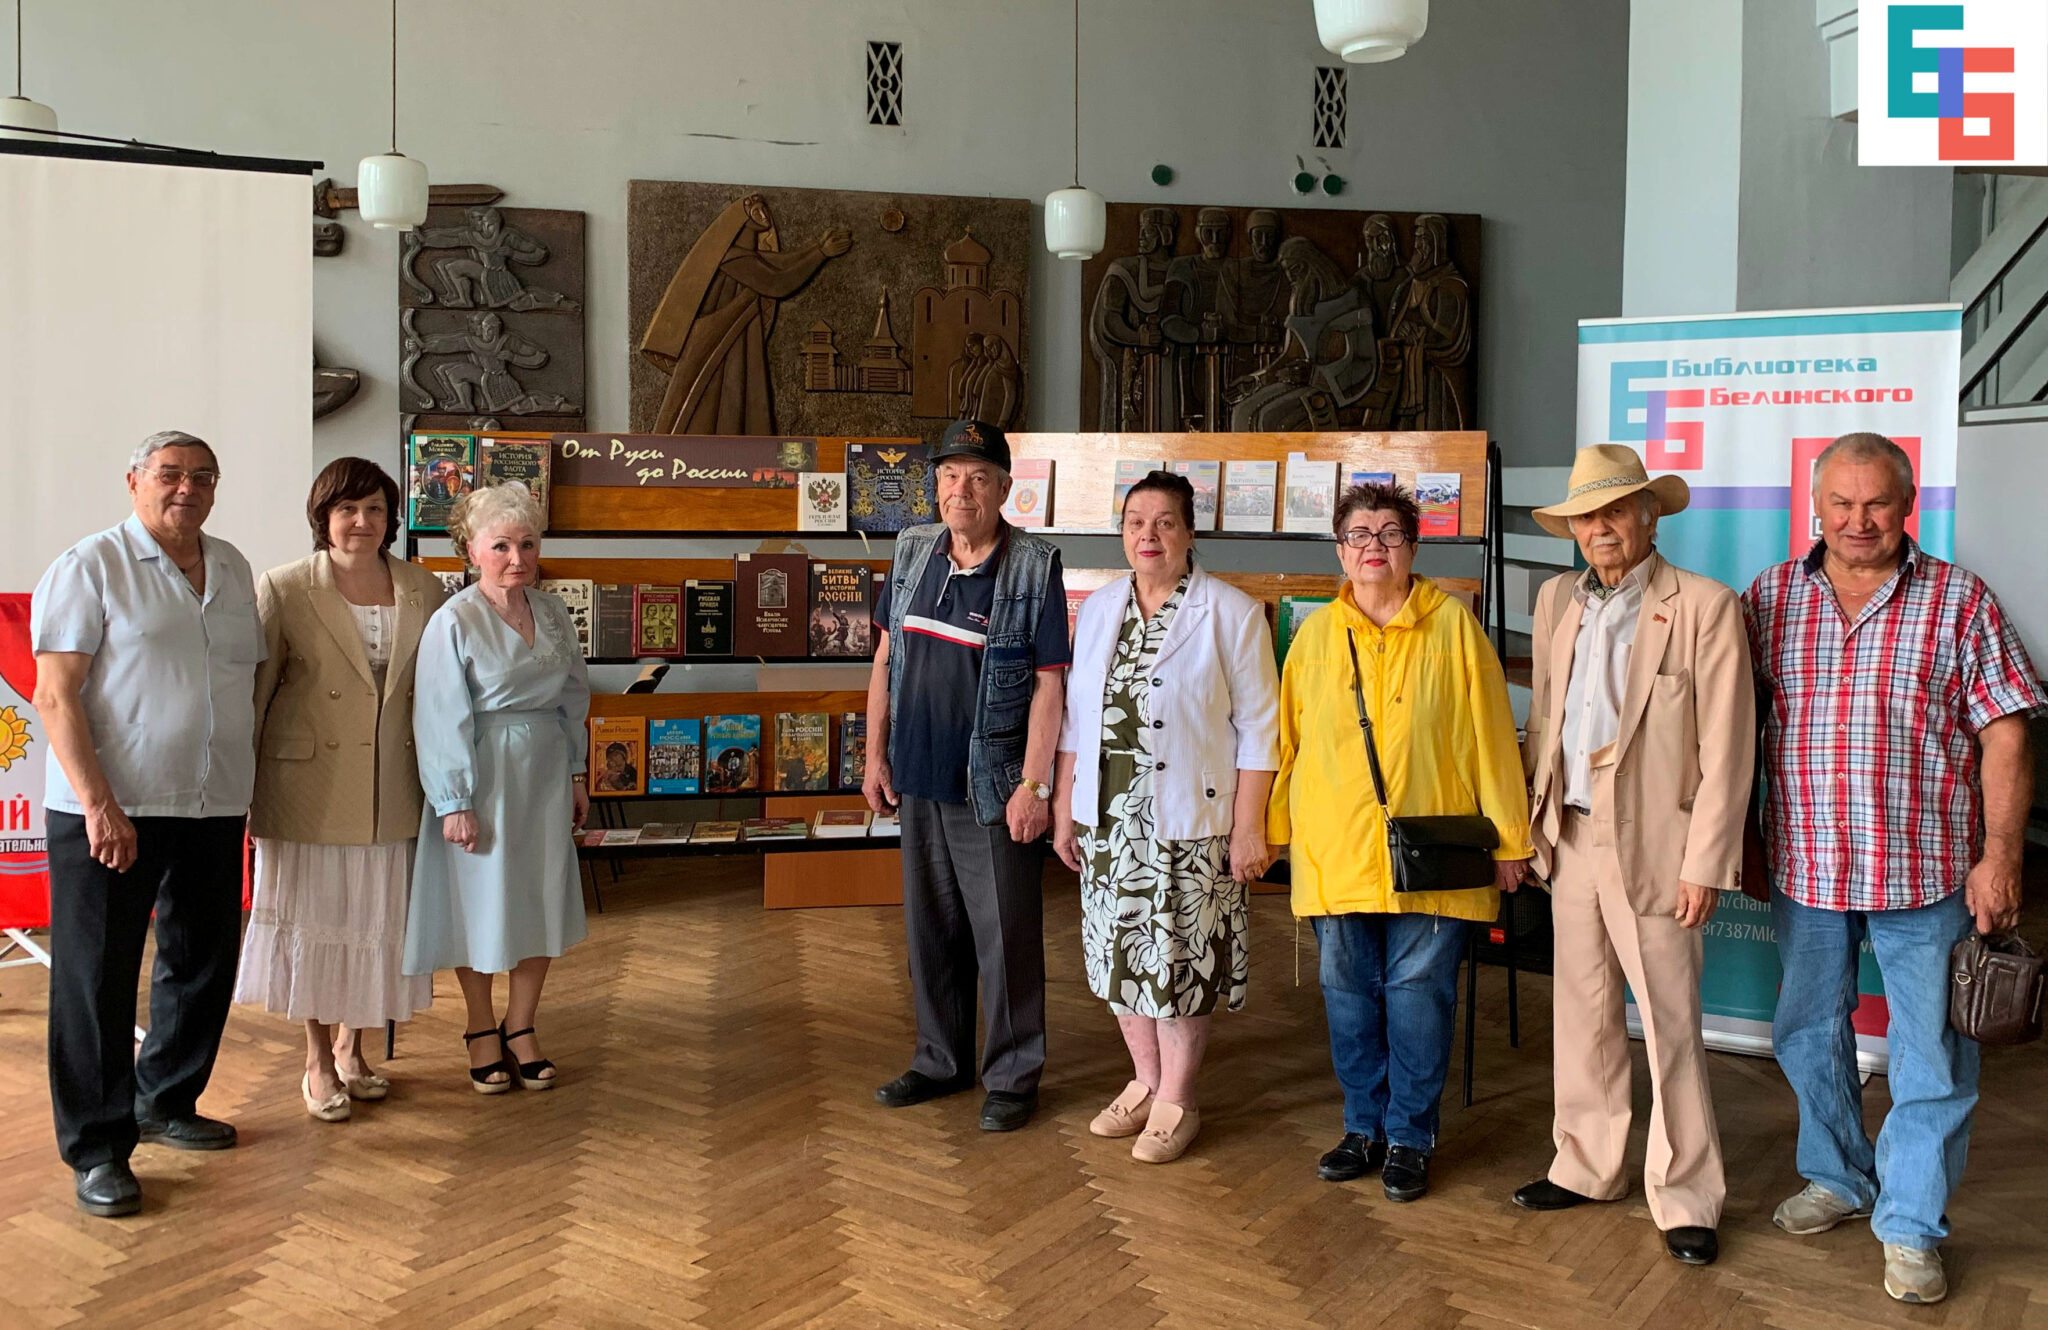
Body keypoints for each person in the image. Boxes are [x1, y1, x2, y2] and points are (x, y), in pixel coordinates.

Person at [1744, 432, 2043, 1305]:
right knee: (1806, 1032)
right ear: (1815, 505)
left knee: (1933, 1053)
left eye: (1876, 502)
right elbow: (1735, 727)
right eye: (1840, 502)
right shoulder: (1770, 597)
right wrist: (1744, 841)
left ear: (1908, 504)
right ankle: (1838, 1176)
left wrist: (2001, 857)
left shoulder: (1960, 600)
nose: (1858, 520)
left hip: (1927, 868)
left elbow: (2007, 735)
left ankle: (1910, 1224)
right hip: (1805, 861)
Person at [1511, 446, 1754, 1267]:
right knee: (1581, 1012)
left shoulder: (1704, 606)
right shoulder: (1556, 600)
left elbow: (1728, 746)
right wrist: (1534, 823)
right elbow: (1545, 719)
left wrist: (1706, 862)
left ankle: (1687, 1195)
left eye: (1615, 509)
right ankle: (1587, 1165)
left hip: (1657, 843)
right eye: (1586, 515)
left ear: (1650, 515)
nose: (1600, 527)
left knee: (1670, 1024)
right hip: (1571, 833)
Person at [1269, 481, 1530, 1202]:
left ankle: (1411, 1134)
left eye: (1390, 533)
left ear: (1413, 548)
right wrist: (1273, 829)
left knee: (1419, 997)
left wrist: (1511, 840)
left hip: (1433, 851)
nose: (1374, 546)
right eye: (1359, 534)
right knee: (1348, 995)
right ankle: (1362, 1126)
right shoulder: (1316, 635)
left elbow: (1492, 740)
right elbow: (1289, 741)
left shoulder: (1454, 628)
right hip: (1335, 847)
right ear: (1340, 551)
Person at [30, 431, 261, 1217]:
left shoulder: (232, 567)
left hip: (211, 801)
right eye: (170, 474)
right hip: (112, 807)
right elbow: (54, 695)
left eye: (203, 476)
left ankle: (166, 1098)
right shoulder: (90, 565)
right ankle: (97, 1148)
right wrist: (99, 803)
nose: (186, 487)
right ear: (134, 481)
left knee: (202, 960)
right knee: (97, 977)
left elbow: (239, 683)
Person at [1051, 471, 1279, 1164]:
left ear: (1189, 533)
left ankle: (1179, 1097)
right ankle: (1144, 1081)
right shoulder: (1099, 608)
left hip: (1190, 823)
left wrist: (1249, 826)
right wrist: (1064, 808)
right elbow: (1075, 721)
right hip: (1108, 819)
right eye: (1135, 522)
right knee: (1118, 957)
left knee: (1180, 961)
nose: (1147, 535)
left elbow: (1261, 729)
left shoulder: (1231, 612)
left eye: (1164, 522)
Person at [864, 419, 1070, 1133]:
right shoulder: (912, 549)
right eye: (950, 475)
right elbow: (884, 660)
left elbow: (1050, 685)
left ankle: (1012, 1076)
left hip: (993, 787)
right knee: (930, 934)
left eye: (979, 477)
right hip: (917, 776)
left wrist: (1034, 786)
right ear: (936, 485)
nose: (962, 489)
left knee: (1005, 937)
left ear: (1004, 489)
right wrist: (874, 755)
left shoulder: (1034, 566)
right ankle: (939, 1060)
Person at [236, 458, 447, 1122]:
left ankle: (353, 1050)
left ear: (392, 517)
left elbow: (437, 693)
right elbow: (255, 696)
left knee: (377, 922)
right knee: (314, 922)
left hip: (394, 782)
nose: (362, 521)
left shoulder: (424, 587)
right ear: (322, 517)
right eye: (347, 509)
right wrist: (243, 790)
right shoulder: (284, 586)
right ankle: (316, 1060)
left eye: (376, 508)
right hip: (308, 785)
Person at [405, 483, 592, 1094]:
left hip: (545, 771)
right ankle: (480, 1026)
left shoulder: (555, 613)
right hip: (482, 774)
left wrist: (577, 772)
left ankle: (522, 1025)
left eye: (528, 544)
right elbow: (438, 715)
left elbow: (573, 697)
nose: (518, 557)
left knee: (541, 894)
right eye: (502, 545)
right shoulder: (453, 620)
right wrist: (453, 800)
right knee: (480, 901)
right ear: (471, 550)